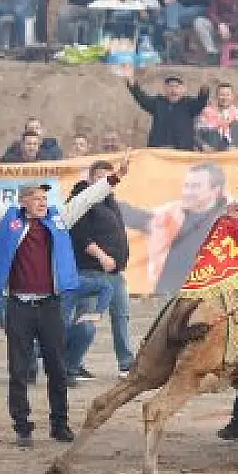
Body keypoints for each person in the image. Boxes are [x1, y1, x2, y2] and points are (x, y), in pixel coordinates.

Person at [0, 135, 130, 447]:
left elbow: (85, 200)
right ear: (23, 203)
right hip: (18, 305)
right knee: (18, 369)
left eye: (45, 199)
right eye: (37, 199)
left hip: (50, 305)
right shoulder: (7, 220)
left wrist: (114, 178)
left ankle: (60, 424)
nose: (43, 203)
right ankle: (22, 426)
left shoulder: (59, 219)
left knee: (56, 368)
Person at [65, 161, 134, 381]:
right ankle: (73, 363)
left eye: (108, 177)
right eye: (100, 177)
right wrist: (102, 256)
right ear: (90, 179)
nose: (105, 182)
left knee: (121, 316)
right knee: (87, 320)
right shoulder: (81, 200)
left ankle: (126, 363)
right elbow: (80, 235)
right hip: (91, 271)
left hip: (115, 273)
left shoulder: (109, 200)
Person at [120, 163, 229, 295]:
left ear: (215, 190)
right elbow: (131, 215)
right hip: (165, 297)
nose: (187, 192)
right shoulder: (170, 215)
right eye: (186, 186)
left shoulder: (229, 222)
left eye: (195, 187)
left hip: (207, 297)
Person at [127, 74, 211, 150]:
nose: (173, 90)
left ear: (183, 89)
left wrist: (204, 89)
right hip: (158, 151)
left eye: (177, 87)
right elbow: (141, 98)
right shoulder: (158, 103)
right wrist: (131, 82)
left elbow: (201, 101)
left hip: (182, 152)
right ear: (165, 89)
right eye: (170, 86)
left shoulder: (189, 104)